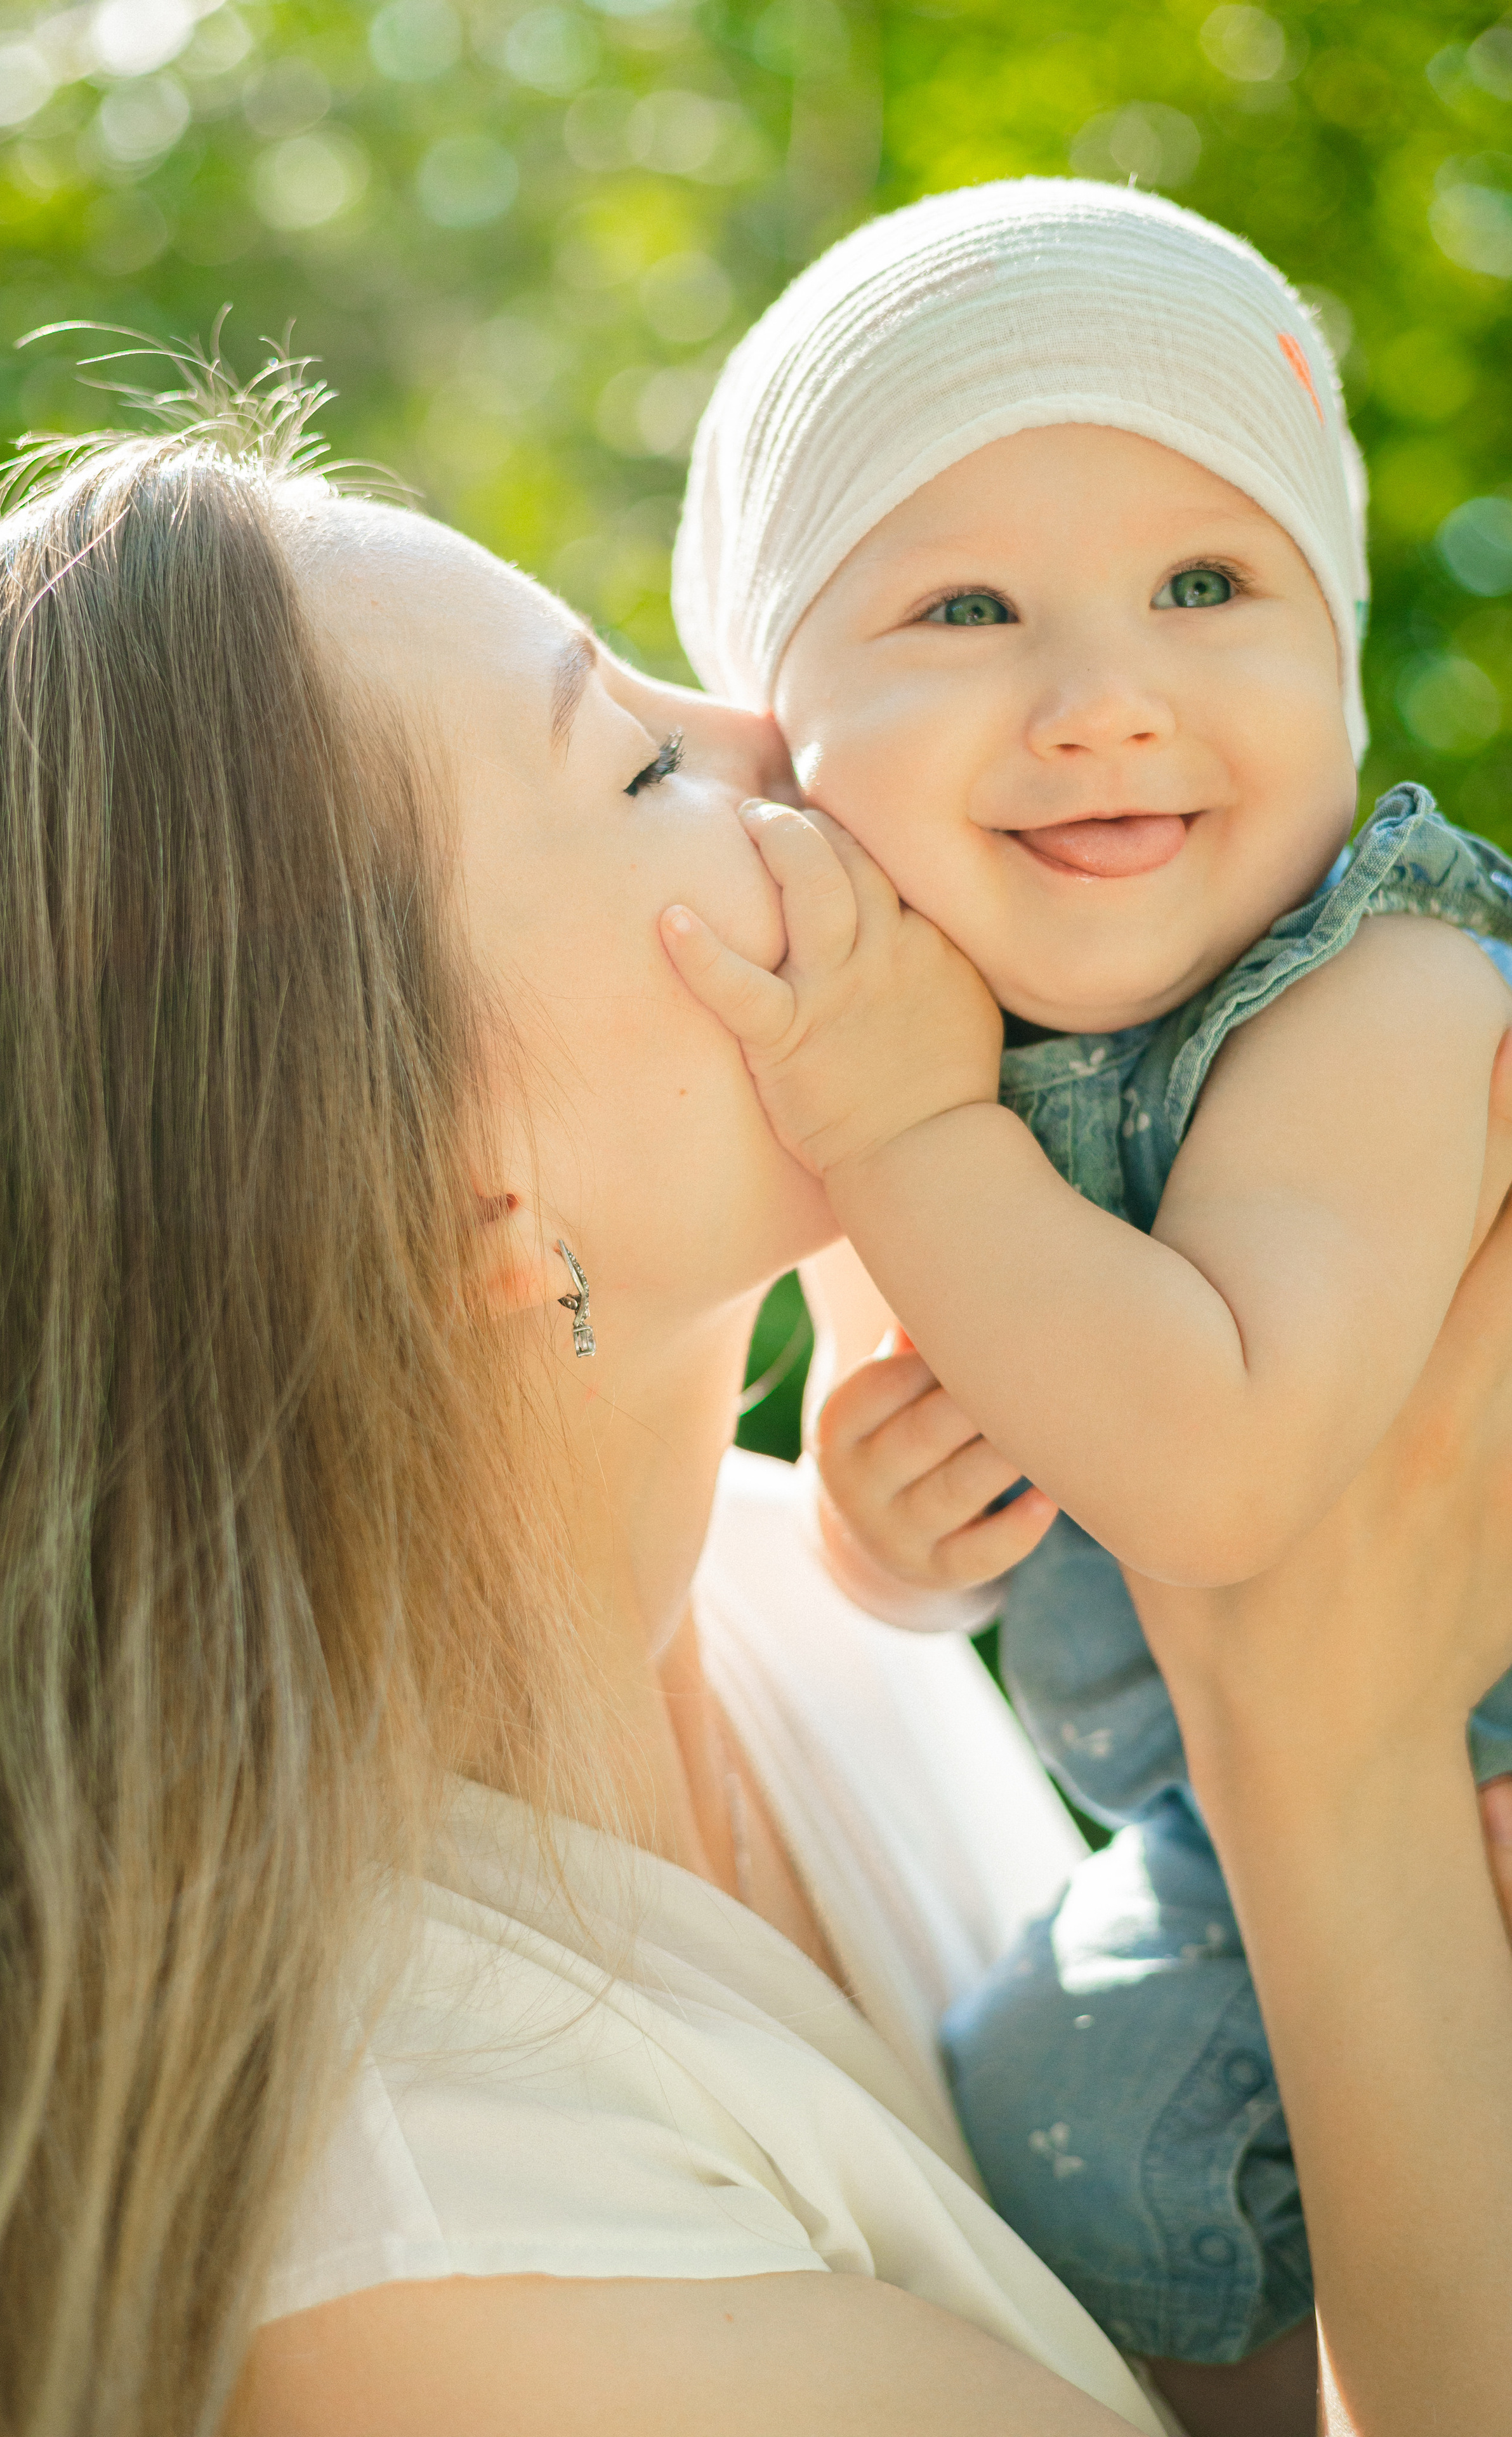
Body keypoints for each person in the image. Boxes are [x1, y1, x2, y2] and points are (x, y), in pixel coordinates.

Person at [0, 366, 1508, 2437]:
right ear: (433, 1179)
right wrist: (1338, 1775)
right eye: (643, 767)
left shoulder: (799, 1591)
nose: (800, 749)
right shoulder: (458, 2274)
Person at [664, 178, 1512, 2422]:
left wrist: (919, 1143)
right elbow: (924, 1494)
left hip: (1460, 1791)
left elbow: (1222, 1468)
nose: (1105, 700)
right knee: (1026, 2112)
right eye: (964, 606)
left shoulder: (1388, 996)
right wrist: (886, 1530)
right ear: (778, 723)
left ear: (1334, 644)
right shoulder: (903, 1045)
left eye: (1206, 585)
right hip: (1224, 1852)